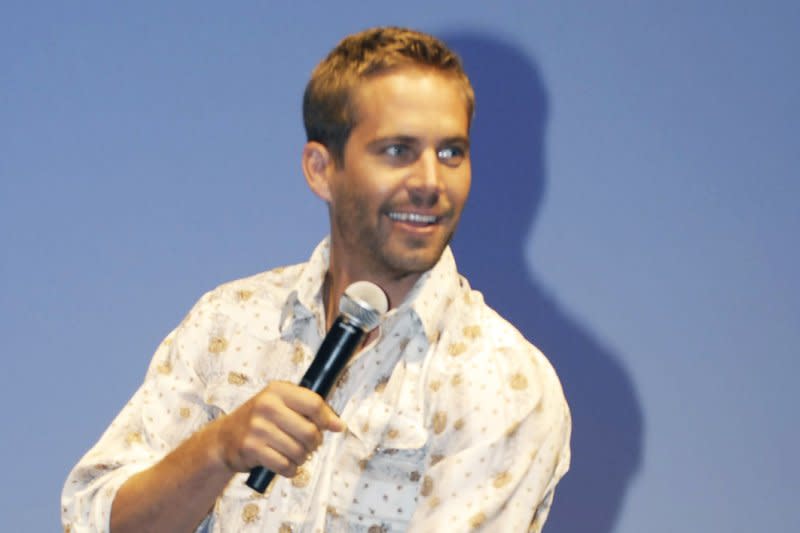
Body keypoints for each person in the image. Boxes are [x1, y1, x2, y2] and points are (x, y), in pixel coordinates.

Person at [62, 27, 571, 532]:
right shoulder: (229, 321)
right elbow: (92, 520)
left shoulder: (502, 380)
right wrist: (215, 451)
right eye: (398, 151)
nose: (430, 183)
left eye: (450, 153)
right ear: (321, 169)